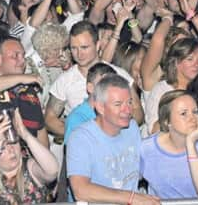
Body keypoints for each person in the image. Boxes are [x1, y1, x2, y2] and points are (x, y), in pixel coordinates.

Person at [66, 74, 159, 204]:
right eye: (118, 104)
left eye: (129, 102)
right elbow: (80, 190)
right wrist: (131, 197)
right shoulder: (81, 138)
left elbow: (144, 170)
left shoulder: (131, 128)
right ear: (100, 107)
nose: (127, 110)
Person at [141, 90, 198, 199]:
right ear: (166, 121)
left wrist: (190, 144)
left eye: (195, 112)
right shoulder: (146, 148)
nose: (192, 118)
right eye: (184, 113)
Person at [0, 108, 58, 204]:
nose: (11, 149)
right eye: (3, 147)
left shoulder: (29, 167)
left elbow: (52, 171)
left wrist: (25, 134)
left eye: (13, 142)